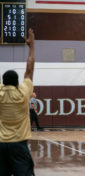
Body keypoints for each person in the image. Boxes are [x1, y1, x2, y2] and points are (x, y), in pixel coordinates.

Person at [0, 29, 35, 175]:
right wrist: (32, 46)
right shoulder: (23, 93)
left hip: (1, 145)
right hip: (19, 145)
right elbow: (29, 69)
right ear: (17, 83)